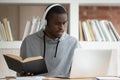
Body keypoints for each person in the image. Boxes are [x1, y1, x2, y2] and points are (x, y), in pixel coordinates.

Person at [20, 4, 80, 77]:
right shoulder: (29, 41)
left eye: (64, 23)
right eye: (57, 24)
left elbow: (80, 75)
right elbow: (20, 74)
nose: (62, 28)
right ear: (45, 22)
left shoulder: (73, 43)